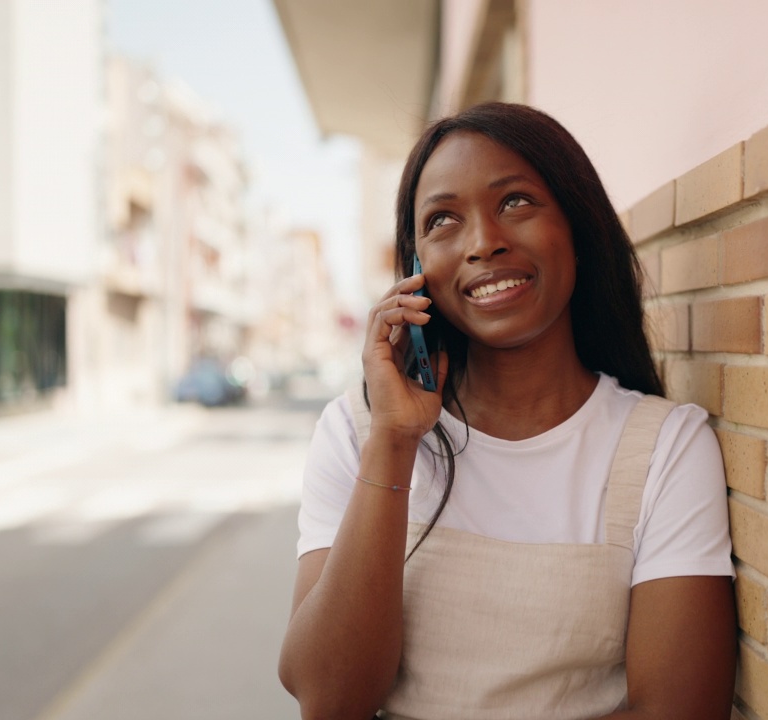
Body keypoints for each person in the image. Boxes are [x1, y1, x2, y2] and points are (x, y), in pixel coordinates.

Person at [279, 102, 736, 720]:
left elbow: (677, 712)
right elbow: (329, 699)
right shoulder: (356, 433)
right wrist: (393, 442)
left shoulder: (665, 448)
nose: (483, 242)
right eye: (443, 220)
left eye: (515, 202)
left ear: (577, 228)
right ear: (415, 270)